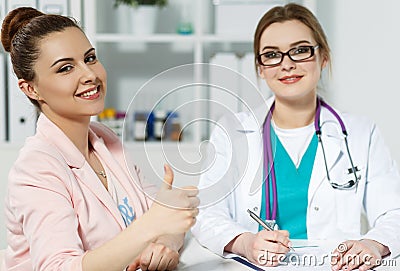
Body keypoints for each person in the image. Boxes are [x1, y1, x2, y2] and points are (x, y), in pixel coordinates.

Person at [191, 3, 400, 271]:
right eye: (272, 55)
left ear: (323, 57)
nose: (287, 64)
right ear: (261, 68)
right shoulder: (232, 131)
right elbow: (207, 212)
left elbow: (393, 212)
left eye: (300, 50)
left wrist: (373, 244)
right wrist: (245, 243)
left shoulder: (361, 133)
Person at [1, 7, 199, 271]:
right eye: (66, 68)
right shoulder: (36, 168)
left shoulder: (105, 141)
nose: (89, 75)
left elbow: (166, 221)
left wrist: (165, 243)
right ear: (31, 88)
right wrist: (152, 226)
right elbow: (57, 267)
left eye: (90, 58)